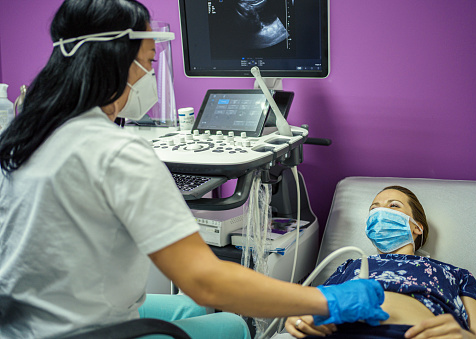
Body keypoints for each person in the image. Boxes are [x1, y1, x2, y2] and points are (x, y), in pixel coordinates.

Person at [0, 1, 389, 338]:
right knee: (234, 326)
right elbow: (206, 281)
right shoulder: (116, 152)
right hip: (80, 331)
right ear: (118, 61)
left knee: (190, 308)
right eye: (150, 63)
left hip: (23, 320)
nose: (151, 77)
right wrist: (326, 298)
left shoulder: (22, 137)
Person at [285, 186, 476, 339]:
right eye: (373, 209)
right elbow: (312, 307)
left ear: (417, 227)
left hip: (416, 333)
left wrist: (464, 336)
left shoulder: (455, 274)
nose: (380, 212)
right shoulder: (350, 265)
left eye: (393, 206)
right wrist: (299, 319)